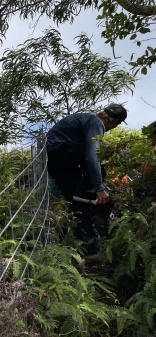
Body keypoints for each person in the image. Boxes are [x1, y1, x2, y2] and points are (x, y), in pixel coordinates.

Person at [46, 103, 128, 254]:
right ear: (115, 123)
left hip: (55, 160)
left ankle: (86, 247)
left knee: (76, 202)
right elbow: (92, 157)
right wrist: (99, 187)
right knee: (101, 152)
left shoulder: (88, 119)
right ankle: (90, 196)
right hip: (59, 153)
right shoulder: (96, 123)